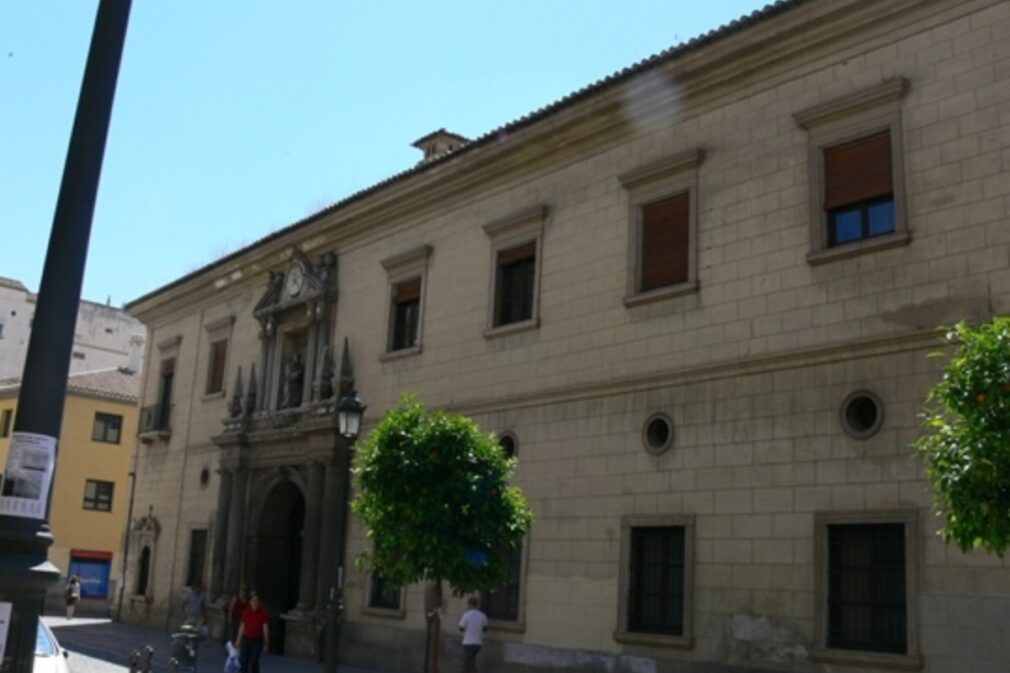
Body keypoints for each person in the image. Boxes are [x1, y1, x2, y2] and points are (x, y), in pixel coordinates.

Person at [236, 593, 269, 673]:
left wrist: (266, 643)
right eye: (253, 600)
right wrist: (238, 641)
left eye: (257, 600)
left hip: (257, 640)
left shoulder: (263, 613)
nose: (255, 602)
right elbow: (242, 627)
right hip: (246, 639)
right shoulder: (245, 612)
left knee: (254, 661)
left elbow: (265, 629)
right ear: (250, 602)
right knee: (244, 661)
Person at [457, 596, 488, 673]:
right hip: (478, 643)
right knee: (469, 661)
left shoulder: (466, 615)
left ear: (470, 604)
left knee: (470, 663)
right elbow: (485, 629)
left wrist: (468, 628)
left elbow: (461, 628)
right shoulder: (482, 615)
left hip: (468, 643)